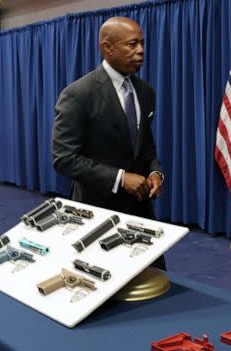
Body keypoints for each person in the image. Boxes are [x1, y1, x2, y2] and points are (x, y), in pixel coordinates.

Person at [51, 16, 163, 221]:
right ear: (107, 48)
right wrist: (120, 179)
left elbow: (145, 146)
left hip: (141, 210)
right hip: (96, 210)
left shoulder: (146, 92)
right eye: (132, 44)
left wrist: (155, 171)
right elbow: (64, 158)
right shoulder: (78, 94)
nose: (141, 50)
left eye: (142, 43)